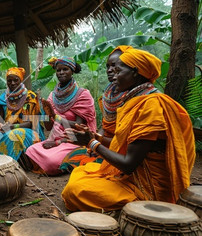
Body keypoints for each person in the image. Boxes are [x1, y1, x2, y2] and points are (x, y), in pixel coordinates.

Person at [61, 48, 195, 212]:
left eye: (118, 70)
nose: (114, 75)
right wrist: (95, 137)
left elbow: (128, 164)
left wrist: (92, 143)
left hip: (147, 186)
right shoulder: (135, 100)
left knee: (75, 191)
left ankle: (134, 210)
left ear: (135, 72)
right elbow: (124, 145)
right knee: (81, 172)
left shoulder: (151, 106)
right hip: (131, 176)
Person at [59, 46, 132, 172]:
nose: (110, 70)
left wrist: (94, 142)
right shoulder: (109, 95)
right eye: (108, 67)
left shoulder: (82, 94)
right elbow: (105, 125)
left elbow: (78, 124)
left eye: (115, 67)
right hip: (70, 138)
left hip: (117, 147)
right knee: (68, 160)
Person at [26, 56, 96, 175]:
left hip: (74, 141)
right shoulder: (52, 96)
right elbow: (49, 127)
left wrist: (56, 119)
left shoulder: (83, 95)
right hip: (54, 139)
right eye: (58, 70)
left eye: (65, 69)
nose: (61, 72)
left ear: (72, 71)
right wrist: (46, 112)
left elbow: (79, 126)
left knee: (50, 161)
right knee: (30, 150)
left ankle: (65, 162)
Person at [0, 67, 44, 168]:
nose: (12, 83)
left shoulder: (30, 97)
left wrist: (11, 126)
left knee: (14, 135)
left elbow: (31, 123)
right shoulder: (3, 98)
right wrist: (1, 126)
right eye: (9, 80)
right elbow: (0, 120)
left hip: (30, 132)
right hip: (8, 130)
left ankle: (7, 168)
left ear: (21, 80)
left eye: (15, 80)